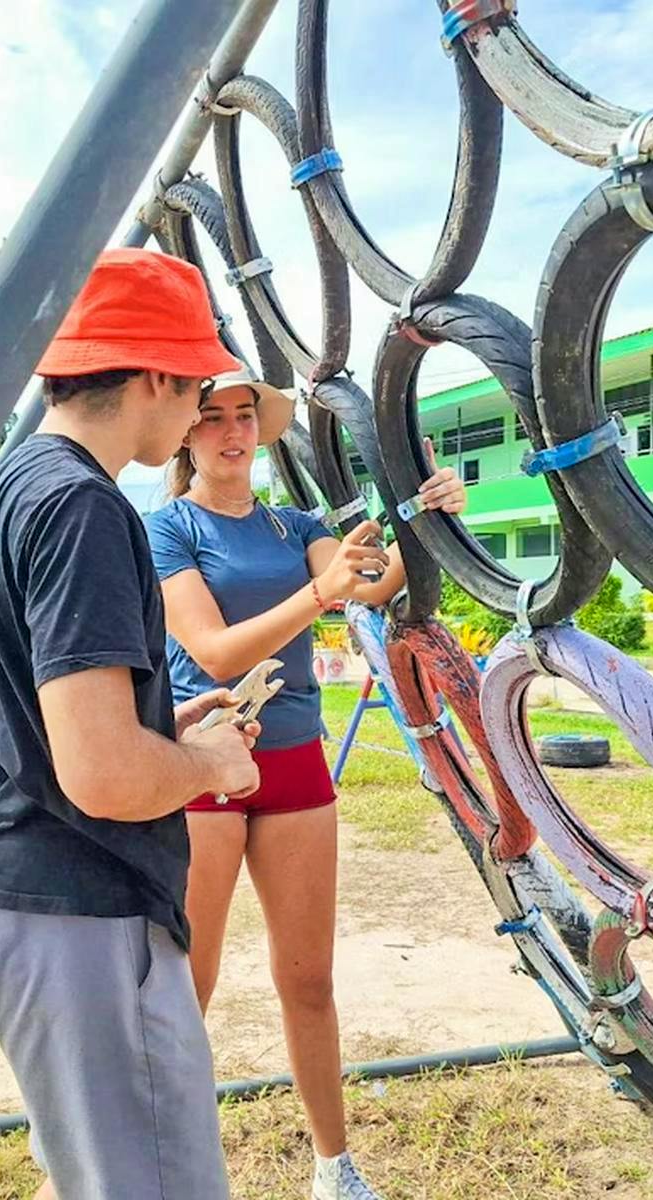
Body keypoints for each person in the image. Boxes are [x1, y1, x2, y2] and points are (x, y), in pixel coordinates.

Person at [0, 248, 264, 1200]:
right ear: (158, 375)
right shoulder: (85, 506)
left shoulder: (9, 487)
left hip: (27, 895)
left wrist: (166, 722)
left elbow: (47, 717)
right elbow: (105, 776)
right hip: (86, 907)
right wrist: (208, 764)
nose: (200, 413)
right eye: (198, 387)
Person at [145, 377, 467, 1200]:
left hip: (293, 760)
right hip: (207, 764)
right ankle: (159, 1170)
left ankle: (334, 1168)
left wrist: (425, 514)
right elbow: (215, 652)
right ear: (184, 433)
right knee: (189, 987)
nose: (231, 432)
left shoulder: (296, 527)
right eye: (211, 417)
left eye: (244, 416)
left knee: (309, 980)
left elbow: (373, 585)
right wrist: (320, 593)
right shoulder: (169, 529)